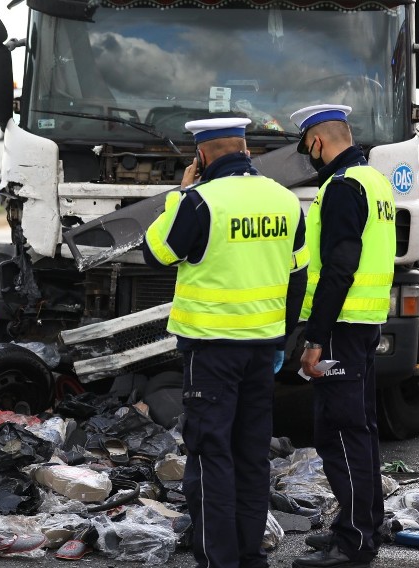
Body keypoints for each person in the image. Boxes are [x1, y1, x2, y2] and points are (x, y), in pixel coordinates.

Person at [140, 117, 308, 568]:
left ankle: (218, 561)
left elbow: (156, 253)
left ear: (201, 156)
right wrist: (281, 339)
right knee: (252, 457)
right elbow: (298, 278)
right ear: (247, 150)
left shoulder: (198, 202)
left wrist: (176, 196)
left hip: (212, 352)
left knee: (212, 457)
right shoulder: (286, 200)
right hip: (262, 351)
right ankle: (250, 557)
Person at [290, 104, 395, 568]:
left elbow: (339, 267)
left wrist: (315, 339)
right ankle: (363, 523)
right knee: (363, 429)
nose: (308, 157)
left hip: (339, 329)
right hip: (365, 323)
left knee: (339, 432)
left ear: (317, 141)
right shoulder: (375, 181)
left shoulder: (341, 187)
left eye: (306, 148)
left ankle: (353, 543)